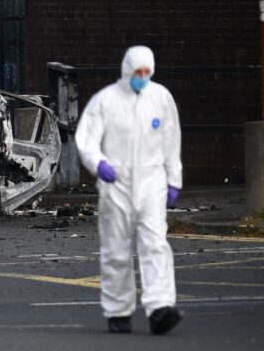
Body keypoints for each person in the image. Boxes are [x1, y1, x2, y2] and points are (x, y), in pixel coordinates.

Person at [75, 45, 183, 335]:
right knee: (116, 250)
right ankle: (118, 310)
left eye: (148, 72)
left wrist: (174, 180)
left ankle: (160, 307)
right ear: (127, 70)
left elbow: (171, 141)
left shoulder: (160, 98)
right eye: (138, 72)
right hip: (117, 186)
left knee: (155, 245)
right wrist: (99, 164)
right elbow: (86, 139)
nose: (143, 77)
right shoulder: (106, 101)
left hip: (151, 184)